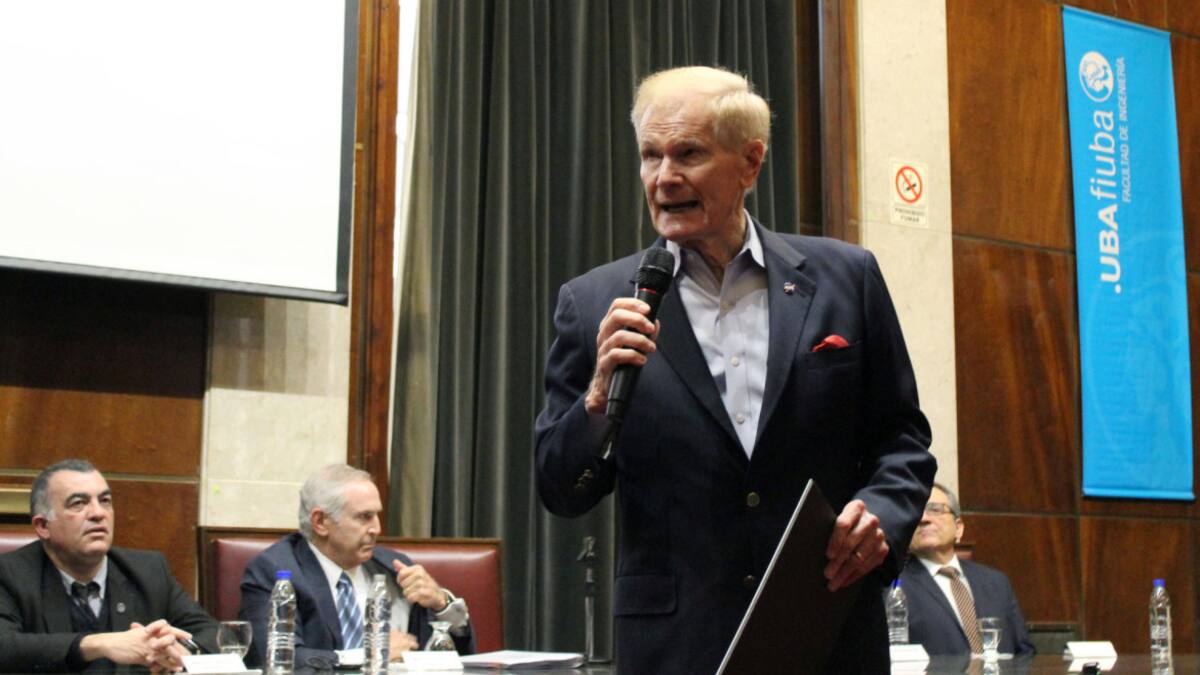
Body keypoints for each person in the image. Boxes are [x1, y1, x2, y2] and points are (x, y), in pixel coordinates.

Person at [535, 65, 935, 673]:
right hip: (678, 645)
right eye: (650, 156)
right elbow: (560, 489)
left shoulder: (846, 280)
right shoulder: (593, 303)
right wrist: (595, 402)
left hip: (828, 627)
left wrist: (884, 510)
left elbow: (902, 441)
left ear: (750, 162)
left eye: (688, 154)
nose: (664, 178)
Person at [238, 464, 473, 667]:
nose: (377, 529)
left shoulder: (395, 569)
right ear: (320, 522)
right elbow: (275, 659)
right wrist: (368, 656)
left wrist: (443, 604)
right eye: (364, 517)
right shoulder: (274, 572)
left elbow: (460, 658)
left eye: (377, 516)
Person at [0, 459, 218, 673]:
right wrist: (97, 644)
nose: (98, 513)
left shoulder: (148, 570)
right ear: (43, 526)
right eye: (78, 503)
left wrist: (182, 651)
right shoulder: (10, 574)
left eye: (105, 501)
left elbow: (215, 634)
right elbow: (6, 647)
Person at [899, 482, 1035, 657]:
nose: (924, 518)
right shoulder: (892, 586)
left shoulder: (996, 582)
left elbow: (1025, 652)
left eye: (935, 509)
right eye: (916, 511)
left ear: (958, 528)